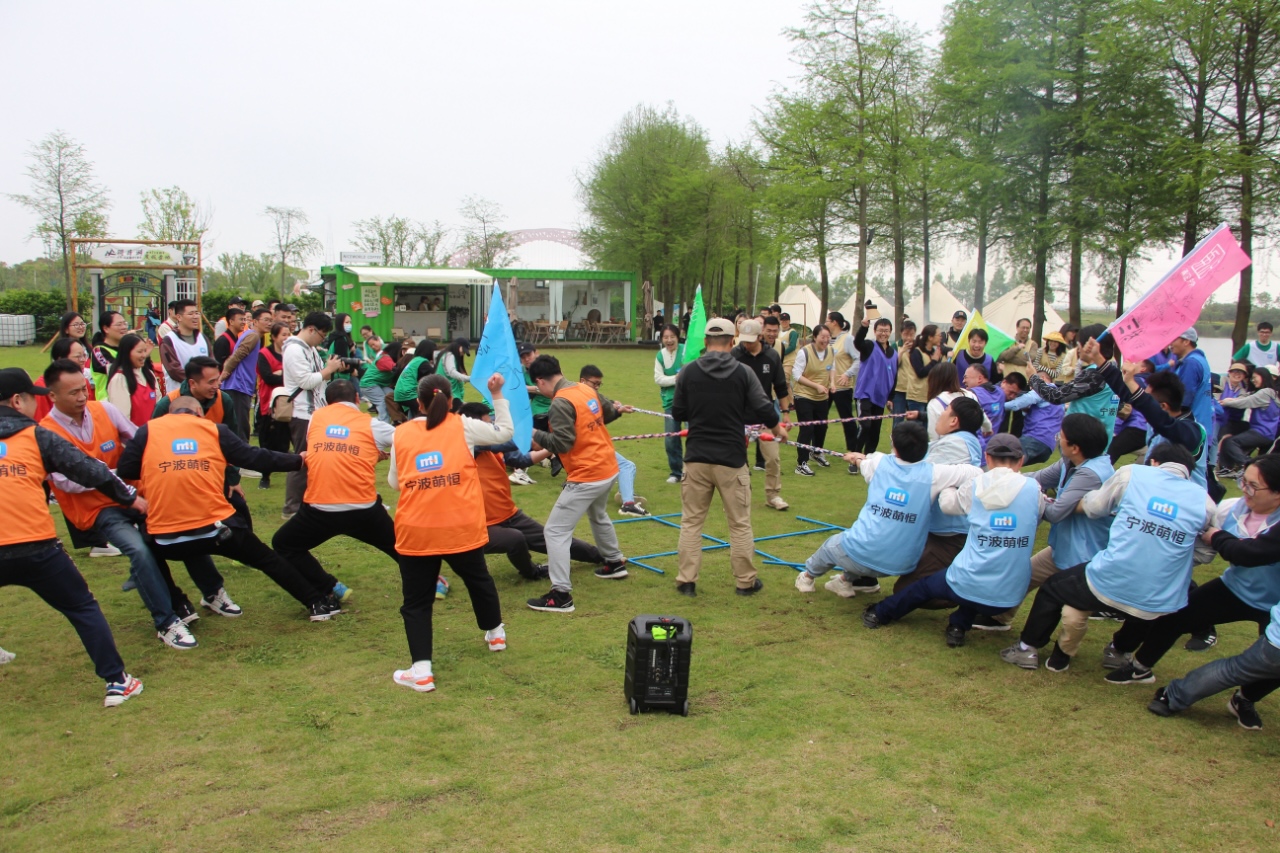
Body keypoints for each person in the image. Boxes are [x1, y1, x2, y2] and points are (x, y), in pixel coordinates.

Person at [42, 360, 231, 650]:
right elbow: (67, 482)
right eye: (73, 393)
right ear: (52, 396)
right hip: (99, 508)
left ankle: (212, 592)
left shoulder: (104, 410)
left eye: (84, 389)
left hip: (138, 495)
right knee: (139, 550)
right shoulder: (46, 433)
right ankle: (166, 621)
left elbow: (143, 440)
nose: (82, 397)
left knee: (183, 526)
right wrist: (117, 477)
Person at [116, 395, 338, 622]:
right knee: (267, 560)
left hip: (165, 538)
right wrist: (297, 460)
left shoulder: (147, 431)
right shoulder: (213, 430)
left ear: (168, 415)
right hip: (217, 530)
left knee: (147, 554)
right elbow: (253, 457)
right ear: (199, 413)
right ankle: (316, 603)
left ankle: (180, 605)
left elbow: (126, 469)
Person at [0, 367, 146, 707]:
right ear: (18, 401)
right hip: (35, 544)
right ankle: (117, 681)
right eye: (33, 399)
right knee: (82, 607)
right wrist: (129, 497)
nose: (36, 406)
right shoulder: (37, 436)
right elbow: (90, 470)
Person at [999, 443, 1214, 671]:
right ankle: (1119, 651)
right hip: (1161, 594)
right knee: (1146, 609)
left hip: (1112, 577)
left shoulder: (1132, 473)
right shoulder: (1205, 501)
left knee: (1053, 587)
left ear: (1154, 462)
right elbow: (1207, 552)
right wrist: (1171, 556)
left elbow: (1094, 506)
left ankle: (1027, 647)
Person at [1110, 455, 1280, 688]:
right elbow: (1197, 544)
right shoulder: (1230, 509)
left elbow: (1248, 554)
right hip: (1235, 588)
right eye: (1243, 481)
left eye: (1253, 486)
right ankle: (1140, 668)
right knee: (1174, 617)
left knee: (1273, 660)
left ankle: (1244, 699)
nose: (1245, 490)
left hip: (1275, 604)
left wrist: (1219, 538)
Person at [388, 373, 512, 692]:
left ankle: (422, 672)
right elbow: (504, 432)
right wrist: (497, 395)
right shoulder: (463, 426)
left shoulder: (401, 433)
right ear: (452, 400)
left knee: (417, 601)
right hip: (460, 525)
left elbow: (394, 482)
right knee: (478, 579)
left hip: (417, 529)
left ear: (418, 403)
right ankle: (495, 634)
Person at [863, 434, 1045, 647]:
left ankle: (880, 613)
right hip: (1010, 594)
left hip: (968, 583)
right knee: (982, 577)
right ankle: (958, 626)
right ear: (1021, 461)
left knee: (926, 587)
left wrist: (949, 484)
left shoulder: (976, 485)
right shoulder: (1034, 489)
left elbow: (948, 506)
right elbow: (1037, 515)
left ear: (987, 457)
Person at [795, 421, 980, 598]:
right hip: (903, 563)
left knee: (832, 546)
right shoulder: (936, 473)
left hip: (863, 554)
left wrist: (856, 458)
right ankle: (844, 582)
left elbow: (866, 462)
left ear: (896, 448)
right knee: (858, 546)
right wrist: (949, 484)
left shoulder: (880, 463)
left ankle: (807, 578)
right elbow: (975, 472)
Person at [671, 318, 786, 597]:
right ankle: (745, 582)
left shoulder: (688, 371)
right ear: (732, 341)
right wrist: (778, 428)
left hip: (697, 458)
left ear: (706, 341)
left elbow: (678, 412)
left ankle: (686, 581)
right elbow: (763, 406)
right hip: (731, 460)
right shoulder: (743, 372)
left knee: (691, 522)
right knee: (739, 523)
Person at [985, 414, 1116, 661]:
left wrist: (1030, 496)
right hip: (1064, 547)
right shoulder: (1070, 461)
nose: (1057, 440)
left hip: (1085, 556)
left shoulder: (1092, 474)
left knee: (1070, 612)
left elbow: (1055, 513)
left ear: (1075, 447)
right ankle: (998, 617)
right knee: (1023, 574)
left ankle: (1061, 652)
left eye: (1061, 437)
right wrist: (998, 477)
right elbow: (1039, 478)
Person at [271, 380, 394, 609]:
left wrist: (368, 454)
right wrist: (373, 453)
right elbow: (407, 441)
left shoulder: (315, 419)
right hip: (362, 509)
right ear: (357, 399)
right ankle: (434, 581)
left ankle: (330, 587)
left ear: (327, 402)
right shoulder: (371, 424)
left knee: (284, 544)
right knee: (400, 547)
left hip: (320, 508)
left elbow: (329, 453)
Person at [525, 355, 630, 612]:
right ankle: (614, 562)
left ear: (540, 381)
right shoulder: (585, 389)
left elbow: (562, 444)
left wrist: (534, 433)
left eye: (537, 386)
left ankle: (560, 595)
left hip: (588, 474)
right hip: (607, 468)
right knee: (598, 514)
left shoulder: (560, 402)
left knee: (555, 531)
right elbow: (608, 413)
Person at [459, 402, 605, 580]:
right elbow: (503, 442)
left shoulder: (492, 445)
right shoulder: (468, 445)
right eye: (487, 425)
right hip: (481, 525)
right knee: (515, 539)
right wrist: (533, 439)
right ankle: (531, 572)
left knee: (552, 539)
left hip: (509, 515)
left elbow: (521, 460)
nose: (492, 429)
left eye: (491, 425)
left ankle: (604, 556)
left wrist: (552, 446)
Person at [281, 312, 349, 520]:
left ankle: (309, 501)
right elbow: (306, 381)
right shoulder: (294, 349)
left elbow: (319, 380)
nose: (322, 339)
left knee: (316, 458)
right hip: (302, 412)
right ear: (311, 329)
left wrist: (331, 369)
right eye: (322, 335)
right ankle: (292, 506)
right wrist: (328, 369)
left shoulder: (309, 349)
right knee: (302, 459)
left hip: (314, 411)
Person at [1028, 323, 1120, 451]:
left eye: (1080, 344)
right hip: (1099, 442)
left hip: (1081, 445)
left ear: (1091, 347)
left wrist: (1033, 378)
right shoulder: (1113, 371)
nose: (1078, 348)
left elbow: (1056, 396)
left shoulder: (1094, 375)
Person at [732, 318, 792, 511]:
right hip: (738, 417)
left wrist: (786, 413)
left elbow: (781, 387)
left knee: (773, 458)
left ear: (760, 336)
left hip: (766, 417)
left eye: (750, 340)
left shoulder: (772, 356)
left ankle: (773, 496)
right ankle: (739, 496)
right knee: (737, 460)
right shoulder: (735, 355)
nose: (746, 344)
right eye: (744, 339)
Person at [579, 365, 649, 517]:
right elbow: (596, 419)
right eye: (594, 383)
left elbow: (600, 415)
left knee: (626, 467)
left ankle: (626, 492)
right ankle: (628, 505)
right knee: (626, 466)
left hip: (591, 445)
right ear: (583, 381)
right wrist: (615, 410)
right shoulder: (584, 400)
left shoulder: (587, 396)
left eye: (599, 384)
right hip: (589, 447)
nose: (597, 387)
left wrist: (616, 409)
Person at [220, 306, 272, 447]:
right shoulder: (253, 336)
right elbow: (238, 355)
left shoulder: (253, 335)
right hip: (238, 386)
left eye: (270, 320)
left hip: (241, 385)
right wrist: (224, 374)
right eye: (266, 320)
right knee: (240, 426)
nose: (269, 323)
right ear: (255, 321)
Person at [1217, 368, 1278, 478]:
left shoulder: (1266, 392)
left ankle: (1248, 464)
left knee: (1231, 442)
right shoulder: (1269, 393)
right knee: (1230, 436)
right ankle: (1226, 469)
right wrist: (1231, 400)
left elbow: (1246, 402)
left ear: (1263, 376)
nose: (1253, 380)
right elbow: (1247, 397)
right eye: (1252, 378)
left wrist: (1225, 403)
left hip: (1262, 432)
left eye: (1255, 377)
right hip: (1266, 432)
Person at [791, 324, 835, 476]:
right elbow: (796, 375)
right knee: (807, 428)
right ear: (815, 337)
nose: (825, 340)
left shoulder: (831, 351)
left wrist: (832, 383)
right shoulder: (804, 352)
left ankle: (816, 453)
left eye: (828, 337)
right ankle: (801, 464)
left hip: (821, 397)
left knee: (822, 427)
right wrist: (816, 386)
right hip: (803, 396)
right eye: (823, 337)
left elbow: (832, 367)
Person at [851, 316, 898, 458]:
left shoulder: (894, 354)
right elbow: (858, 343)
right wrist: (863, 327)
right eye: (880, 330)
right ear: (875, 331)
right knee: (865, 425)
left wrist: (890, 398)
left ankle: (868, 459)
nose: (883, 333)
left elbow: (894, 376)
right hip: (865, 395)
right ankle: (855, 456)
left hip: (881, 398)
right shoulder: (869, 346)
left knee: (875, 431)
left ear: (890, 332)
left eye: (886, 331)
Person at [152, 356, 237, 433]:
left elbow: (232, 439)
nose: (216, 386)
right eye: (211, 382)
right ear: (192, 383)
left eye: (217, 380)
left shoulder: (224, 400)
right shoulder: (167, 404)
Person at [256, 322, 292, 488]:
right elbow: (268, 377)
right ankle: (265, 476)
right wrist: (286, 376)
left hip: (288, 403)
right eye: (283, 334)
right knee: (267, 441)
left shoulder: (291, 353)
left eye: (288, 334)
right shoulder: (264, 354)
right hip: (269, 403)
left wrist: (281, 374)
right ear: (274, 337)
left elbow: (297, 375)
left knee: (286, 438)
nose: (286, 338)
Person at [1170, 328, 1215, 460]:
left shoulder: (1191, 363)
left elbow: (1184, 398)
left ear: (1186, 342)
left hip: (1191, 427)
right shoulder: (1201, 360)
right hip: (1202, 426)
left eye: (1174, 339)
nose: (1170, 343)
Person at [1002, 372, 1065, 465]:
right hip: (1048, 447)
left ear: (1042, 378)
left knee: (1003, 461)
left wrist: (994, 405)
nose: (1031, 388)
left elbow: (1016, 404)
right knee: (1011, 466)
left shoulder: (1044, 389)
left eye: (1031, 385)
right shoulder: (1059, 396)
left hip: (1035, 438)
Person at [827, 312, 862, 461]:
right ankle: (816, 450)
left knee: (847, 419)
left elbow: (858, 359)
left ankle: (853, 452)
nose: (826, 324)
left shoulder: (847, 339)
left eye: (827, 321)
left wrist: (847, 374)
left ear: (834, 322)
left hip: (842, 386)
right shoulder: (826, 339)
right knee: (820, 419)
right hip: (825, 386)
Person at [33, 336, 95, 422]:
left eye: (84, 355)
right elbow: (40, 420)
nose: (83, 360)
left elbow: (91, 412)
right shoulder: (42, 386)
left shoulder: (84, 382)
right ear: (61, 359)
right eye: (78, 356)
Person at [654, 324, 685, 484]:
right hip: (670, 402)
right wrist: (676, 379)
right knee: (671, 438)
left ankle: (693, 471)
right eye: (665, 337)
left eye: (672, 337)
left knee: (694, 437)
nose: (669, 340)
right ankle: (676, 472)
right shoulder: (660, 355)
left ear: (678, 337)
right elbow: (658, 379)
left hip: (690, 401)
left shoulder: (687, 351)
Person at [106, 335, 159, 427]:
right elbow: (122, 420)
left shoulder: (148, 374)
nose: (144, 355)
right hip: (135, 434)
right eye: (139, 352)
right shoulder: (120, 380)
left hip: (153, 432)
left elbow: (159, 404)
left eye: (145, 351)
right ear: (127, 353)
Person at [925, 362, 985, 442]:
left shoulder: (935, 403)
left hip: (948, 445)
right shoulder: (969, 395)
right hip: (973, 443)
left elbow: (933, 434)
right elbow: (982, 416)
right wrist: (987, 428)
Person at [158, 300, 209, 385]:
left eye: (197, 313)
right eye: (191, 314)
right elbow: (174, 370)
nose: (195, 317)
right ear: (179, 317)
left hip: (204, 390)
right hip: (180, 391)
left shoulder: (203, 338)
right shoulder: (169, 341)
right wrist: (198, 381)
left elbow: (211, 363)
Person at [901, 324, 942, 417]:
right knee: (917, 425)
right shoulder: (916, 352)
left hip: (930, 396)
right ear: (930, 337)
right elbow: (920, 372)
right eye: (939, 335)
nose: (941, 337)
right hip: (917, 397)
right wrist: (934, 361)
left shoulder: (934, 353)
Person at [964, 363, 1006, 453]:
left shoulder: (971, 394)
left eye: (966, 377)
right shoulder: (1000, 392)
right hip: (992, 448)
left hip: (974, 448)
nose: (963, 381)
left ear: (980, 378)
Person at [393, 339, 438, 421]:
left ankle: (410, 425)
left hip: (400, 393)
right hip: (408, 393)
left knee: (415, 411)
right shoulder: (423, 362)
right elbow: (433, 376)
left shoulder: (415, 360)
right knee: (426, 412)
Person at [90, 311, 130, 398]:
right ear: (106, 329)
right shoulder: (99, 351)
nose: (124, 327)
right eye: (119, 324)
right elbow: (117, 371)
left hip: (128, 398)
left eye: (125, 324)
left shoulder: (127, 348)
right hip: (108, 401)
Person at [358, 337, 398, 424]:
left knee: (393, 396)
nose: (373, 347)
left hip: (378, 384)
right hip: (369, 384)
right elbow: (395, 369)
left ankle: (395, 420)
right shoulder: (385, 358)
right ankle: (383, 423)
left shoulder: (384, 354)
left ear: (378, 340)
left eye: (373, 344)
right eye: (371, 345)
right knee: (382, 402)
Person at [889, 320, 918, 416]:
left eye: (911, 335)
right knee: (898, 417)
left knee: (915, 418)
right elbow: (892, 365)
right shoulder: (895, 346)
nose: (908, 338)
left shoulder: (918, 347)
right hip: (899, 389)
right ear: (901, 334)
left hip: (915, 389)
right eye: (906, 334)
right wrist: (902, 351)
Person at [436, 337, 470, 403]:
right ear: (458, 346)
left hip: (450, 395)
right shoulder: (449, 355)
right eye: (463, 351)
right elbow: (452, 372)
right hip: (449, 395)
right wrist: (468, 378)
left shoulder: (447, 355)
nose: (463, 354)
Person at [774, 312, 801, 388]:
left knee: (785, 381)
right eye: (782, 320)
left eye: (786, 320)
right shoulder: (779, 332)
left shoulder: (792, 332)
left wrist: (782, 353)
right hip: (780, 360)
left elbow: (792, 346)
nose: (784, 322)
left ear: (789, 321)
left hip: (790, 360)